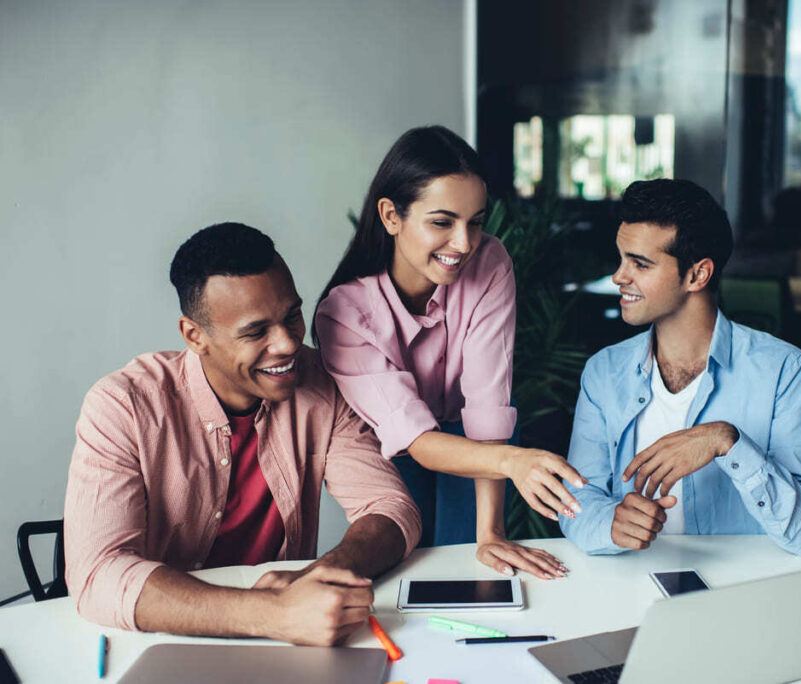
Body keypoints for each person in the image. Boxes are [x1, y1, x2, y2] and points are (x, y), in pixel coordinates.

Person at [64, 223, 421, 645]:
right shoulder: (122, 405)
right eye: (256, 332)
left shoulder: (322, 383)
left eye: (292, 316)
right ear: (195, 336)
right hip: (165, 642)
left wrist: (318, 579)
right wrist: (270, 614)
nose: (287, 343)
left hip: (287, 639)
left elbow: (391, 508)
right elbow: (98, 574)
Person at [314, 126, 585, 580]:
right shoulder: (343, 315)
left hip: (478, 437)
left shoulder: (491, 263)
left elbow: (487, 406)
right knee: (409, 568)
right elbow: (415, 438)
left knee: (475, 566)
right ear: (390, 215)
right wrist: (513, 462)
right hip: (395, 444)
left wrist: (492, 533)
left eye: (475, 221)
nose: (464, 243)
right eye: (442, 222)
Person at [560, 179, 801, 557]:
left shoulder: (785, 371)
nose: (619, 277)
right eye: (621, 259)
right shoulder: (603, 372)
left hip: (744, 592)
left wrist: (728, 442)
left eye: (640, 263)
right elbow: (577, 500)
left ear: (697, 275)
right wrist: (610, 522)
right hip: (632, 582)